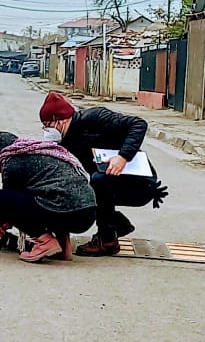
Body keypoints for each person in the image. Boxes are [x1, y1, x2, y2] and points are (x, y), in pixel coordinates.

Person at [39, 91, 167, 256]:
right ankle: (117, 225)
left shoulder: (94, 117)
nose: (47, 130)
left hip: (141, 183)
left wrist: (122, 157)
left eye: (48, 125)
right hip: (111, 181)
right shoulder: (66, 141)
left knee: (98, 180)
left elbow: (138, 124)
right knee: (84, 189)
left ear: (60, 120)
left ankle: (107, 241)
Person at [0, 131, 97, 263]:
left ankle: (45, 242)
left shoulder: (12, 161)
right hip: (87, 213)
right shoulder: (44, 151)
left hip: (66, 210)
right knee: (50, 197)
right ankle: (63, 248)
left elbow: (8, 206)